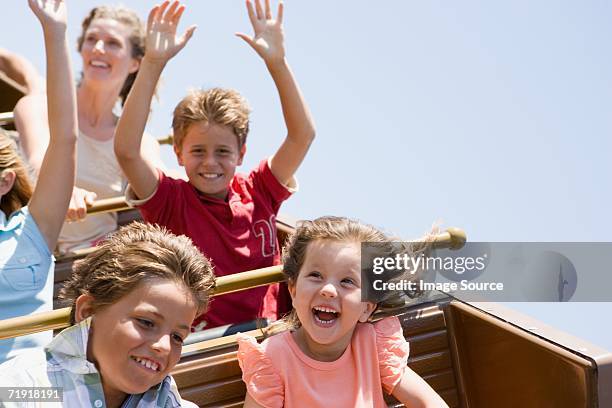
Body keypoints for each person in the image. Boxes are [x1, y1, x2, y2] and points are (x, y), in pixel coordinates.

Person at [115, 0, 315, 329]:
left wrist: (277, 62)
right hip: (204, 345)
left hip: (267, 336)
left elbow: (302, 136)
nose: (211, 162)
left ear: (241, 153)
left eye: (222, 151)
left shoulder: (260, 190)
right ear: (178, 153)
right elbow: (127, 151)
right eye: (198, 151)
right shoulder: (170, 201)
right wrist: (152, 62)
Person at [236, 216, 450, 408]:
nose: (328, 290)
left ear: (366, 308)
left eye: (347, 281)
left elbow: (430, 404)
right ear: (293, 291)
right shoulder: (273, 357)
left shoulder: (374, 345)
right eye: (316, 275)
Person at [0, 222, 215, 408]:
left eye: (177, 337)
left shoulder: (162, 396)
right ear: (88, 312)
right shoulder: (23, 388)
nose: (164, 347)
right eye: (146, 322)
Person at [13, 2, 164, 253]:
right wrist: (64, 190)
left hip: (96, 262)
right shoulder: (36, 107)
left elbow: (165, 188)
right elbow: (38, 162)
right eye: (91, 39)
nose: (98, 48)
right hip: (30, 249)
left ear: (136, 63)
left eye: (113, 43)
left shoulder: (138, 141)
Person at [0, 0, 77, 362]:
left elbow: (65, 139)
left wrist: (55, 33)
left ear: (5, 182)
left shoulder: (33, 229)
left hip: (26, 391)